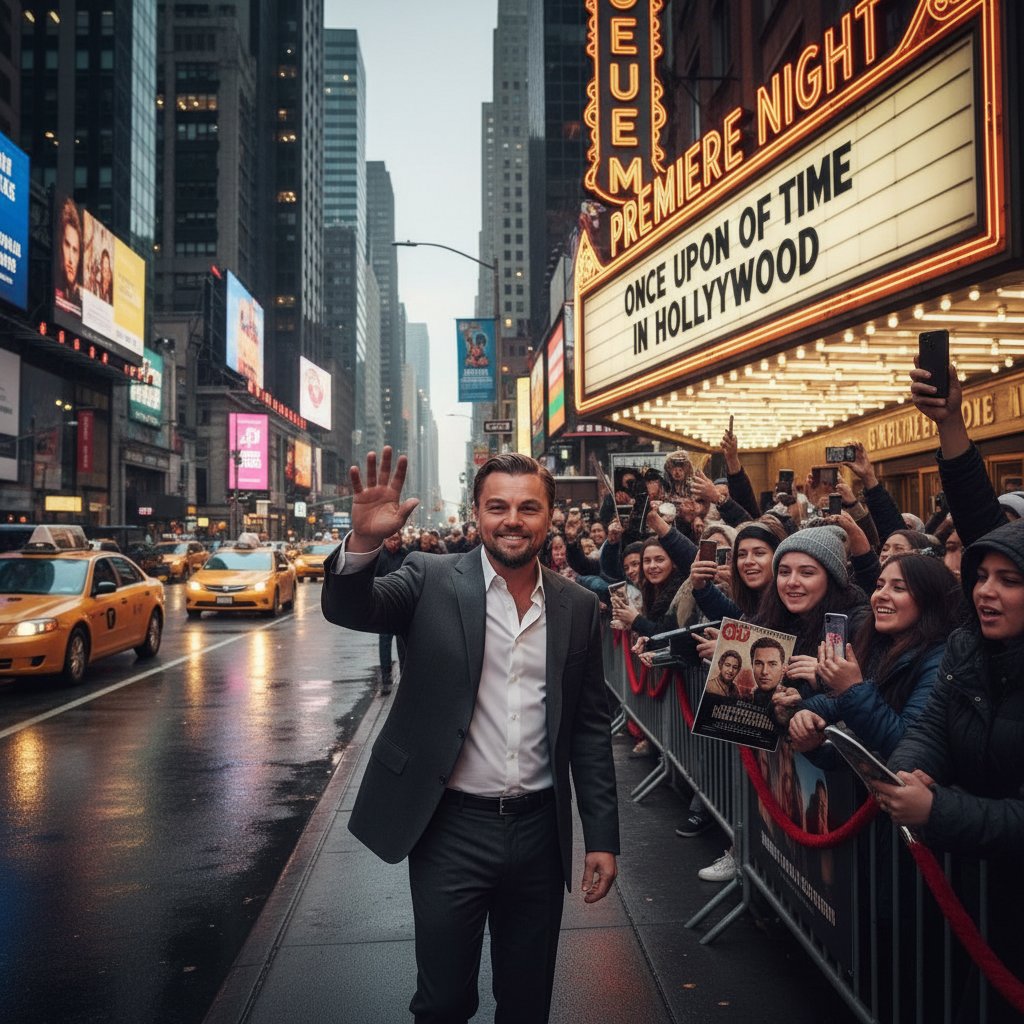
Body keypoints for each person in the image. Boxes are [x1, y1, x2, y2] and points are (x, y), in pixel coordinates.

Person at [321, 447, 619, 1023]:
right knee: (442, 1002)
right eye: (498, 506)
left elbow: (588, 732)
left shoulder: (579, 607)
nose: (513, 519)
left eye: (529, 507)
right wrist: (362, 544)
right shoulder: (428, 577)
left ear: (550, 516)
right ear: (477, 514)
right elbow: (351, 608)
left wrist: (602, 838)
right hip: (448, 831)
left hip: (539, 834)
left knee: (528, 1002)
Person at [875, 521, 1024, 1023]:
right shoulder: (967, 649)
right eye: (981, 576)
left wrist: (937, 811)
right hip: (974, 891)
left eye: (1009, 579)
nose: (986, 590)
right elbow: (929, 728)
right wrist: (906, 774)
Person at [788, 553, 959, 761]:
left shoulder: (941, 661)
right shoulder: (880, 645)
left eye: (898, 588)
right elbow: (836, 708)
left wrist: (852, 688)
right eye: (879, 586)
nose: (881, 595)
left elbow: (906, 745)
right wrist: (798, 714)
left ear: (929, 598)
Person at [375, 531, 408, 696]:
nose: (393, 543)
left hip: (404, 606)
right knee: (385, 643)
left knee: (404, 644)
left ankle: (405, 676)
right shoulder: (379, 557)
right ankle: (386, 676)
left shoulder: (407, 555)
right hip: (385, 607)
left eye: (396, 539)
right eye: (390, 539)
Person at [55, 197, 83, 313]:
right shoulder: (53, 287)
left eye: (75, 250)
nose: (71, 259)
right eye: (67, 245)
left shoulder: (83, 302)